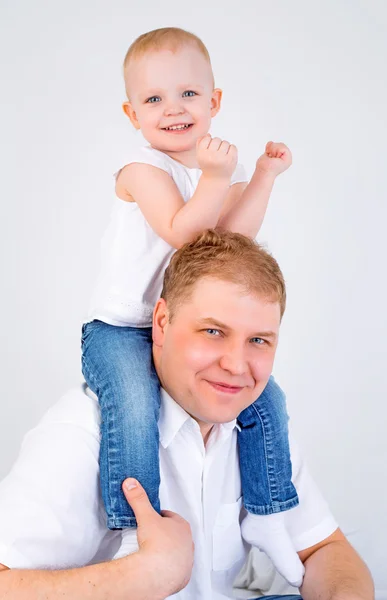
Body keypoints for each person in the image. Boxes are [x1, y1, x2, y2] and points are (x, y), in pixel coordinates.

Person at [0, 230, 374, 600]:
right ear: (162, 322)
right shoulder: (80, 435)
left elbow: (325, 548)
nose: (236, 365)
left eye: (258, 340)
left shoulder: (258, 426)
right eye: (213, 331)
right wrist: (143, 576)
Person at [82, 26, 301, 583]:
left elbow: (230, 241)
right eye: (153, 99)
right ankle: (137, 528)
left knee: (265, 400)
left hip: (176, 331)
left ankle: (271, 515)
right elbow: (186, 234)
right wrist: (217, 176)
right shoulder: (140, 169)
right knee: (132, 405)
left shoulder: (208, 169)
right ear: (132, 113)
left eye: (187, 94)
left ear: (213, 102)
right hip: (120, 329)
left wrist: (264, 178)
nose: (172, 109)